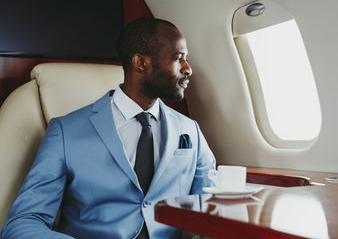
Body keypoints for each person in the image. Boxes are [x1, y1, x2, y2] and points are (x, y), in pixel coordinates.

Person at [1, 18, 216, 239]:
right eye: (178, 58)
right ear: (141, 63)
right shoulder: (65, 132)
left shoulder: (191, 131)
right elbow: (23, 223)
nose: (188, 69)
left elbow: (214, 210)